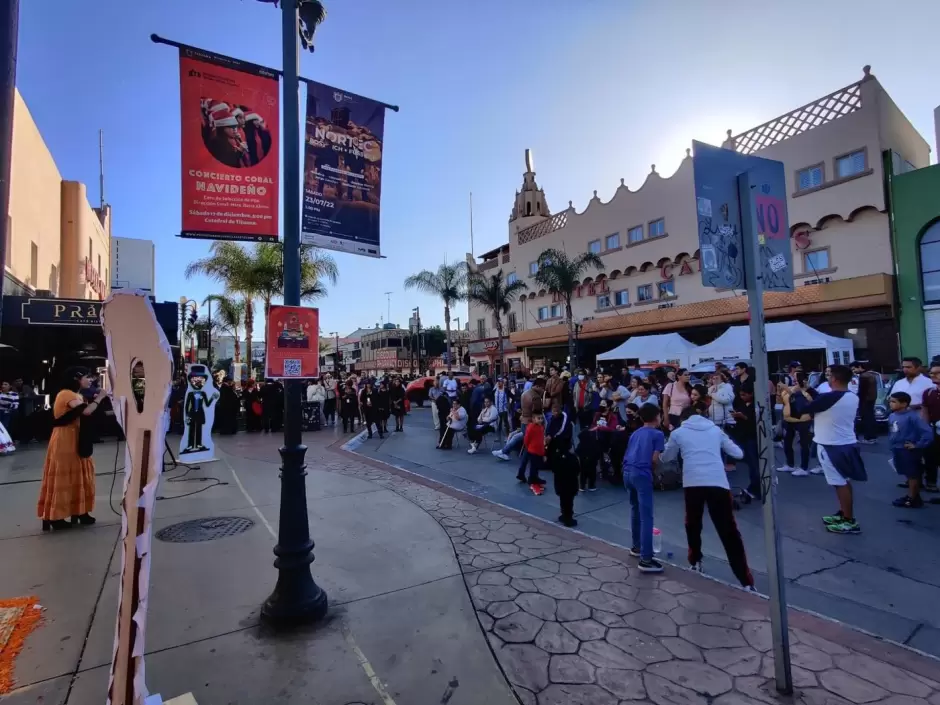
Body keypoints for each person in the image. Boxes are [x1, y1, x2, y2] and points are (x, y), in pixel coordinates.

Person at [661, 404, 755, 589]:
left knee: (693, 524)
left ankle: (695, 561)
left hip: (693, 482)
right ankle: (746, 581)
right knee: (729, 531)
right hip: (717, 482)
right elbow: (738, 452)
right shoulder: (715, 430)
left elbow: (666, 457)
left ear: (683, 419)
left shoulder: (679, 433)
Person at [782, 365, 867, 535]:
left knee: (839, 482)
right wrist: (807, 389)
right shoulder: (849, 396)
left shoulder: (832, 397)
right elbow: (820, 400)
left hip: (831, 445)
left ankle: (849, 521)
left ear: (834, 379)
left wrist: (794, 392)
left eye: (829, 375)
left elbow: (804, 408)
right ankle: (844, 513)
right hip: (844, 442)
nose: (827, 378)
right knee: (843, 480)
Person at [37, 368, 106, 531]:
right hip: (65, 440)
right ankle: (56, 516)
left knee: (82, 475)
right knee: (65, 477)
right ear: (76, 379)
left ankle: (80, 511)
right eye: (87, 377)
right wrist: (101, 397)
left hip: (76, 438)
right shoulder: (66, 394)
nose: (90, 380)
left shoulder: (76, 395)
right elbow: (86, 411)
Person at [623, 404, 666, 573]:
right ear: (657, 416)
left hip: (627, 472)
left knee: (635, 509)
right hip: (642, 473)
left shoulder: (636, 433)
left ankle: (636, 547)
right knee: (646, 516)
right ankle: (646, 558)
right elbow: (655, 459)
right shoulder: (658, 434)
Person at [887, 391, 933, 508]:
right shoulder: (892, 415)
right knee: (907, 474)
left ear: (904, 404)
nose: (890, 404)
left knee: (913, 475)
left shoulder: (912, 417)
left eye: (894, 402)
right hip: (897, 449)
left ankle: (913, 498)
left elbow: (927, 432)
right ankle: (912, 495)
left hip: (908, 450)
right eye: (890, 401)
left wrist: (917, 445)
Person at [779, 372, 819, 477]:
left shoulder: (810, 391)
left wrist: (790, 390)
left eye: (797, 380)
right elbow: (784, 400)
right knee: (787, 441)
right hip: (789, 419)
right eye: (794, 380)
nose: (795, 382)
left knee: (804, 444)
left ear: (804, 380)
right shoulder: (791, 388)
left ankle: (804, 467)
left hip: (803, 420)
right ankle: (790, 464)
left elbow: (807, 401)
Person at [731, 381, 761, 500]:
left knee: (755, 465)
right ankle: (753, 486)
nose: (742, 397)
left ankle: (756, 488)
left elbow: (755, 422)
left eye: (744, 395)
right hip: (744, 436)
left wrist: (744, 417)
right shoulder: (742, 404)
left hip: (752, 437)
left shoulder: (756, 406)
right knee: (751, 464)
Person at [920, 362, 940, 494]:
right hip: (934, 430)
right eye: (931, 373)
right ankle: (931, 483)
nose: (933, 375)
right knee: (931, 457)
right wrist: (926, 429)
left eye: (937, 373)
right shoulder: (928, 392)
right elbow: (925, 410)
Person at [853, 361, 879, 444]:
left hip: (865, 400)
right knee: (871, 418)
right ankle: (873, 437)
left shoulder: (863, 376)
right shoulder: (871, 375)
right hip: (871, 399)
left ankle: (868, 437)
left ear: (860, 367)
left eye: (854, 369)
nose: (854, 371)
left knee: (866, 419)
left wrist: (858, 399)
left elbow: (862, 390)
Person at [520, 412, 547, 486]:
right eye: (539, 418)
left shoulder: (541, 427)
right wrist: (528, 446)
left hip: (539, 450)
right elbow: (526, 438)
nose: (541, 420)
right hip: (532, 450)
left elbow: (541, 440)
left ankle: (535, 478)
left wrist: (543, 451)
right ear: (533, 419)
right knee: (533, 466)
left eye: (541, 418)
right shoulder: (531, 427)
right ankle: (531, 479)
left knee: (536, 466)